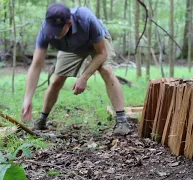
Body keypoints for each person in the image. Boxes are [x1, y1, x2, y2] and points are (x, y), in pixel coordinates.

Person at [21, 3, 131, 136]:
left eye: (57, 31)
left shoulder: (86, 19)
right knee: (56, 80)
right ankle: (42, 120)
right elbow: (36, 65)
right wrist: (27, 99)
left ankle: (122, 121)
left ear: (69, 23)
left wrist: (84, 77)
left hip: (97, 43)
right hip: (71, 49)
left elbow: (102, 53)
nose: (53, 35)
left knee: (106, 71)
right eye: (51, 30)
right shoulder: (46, 29)